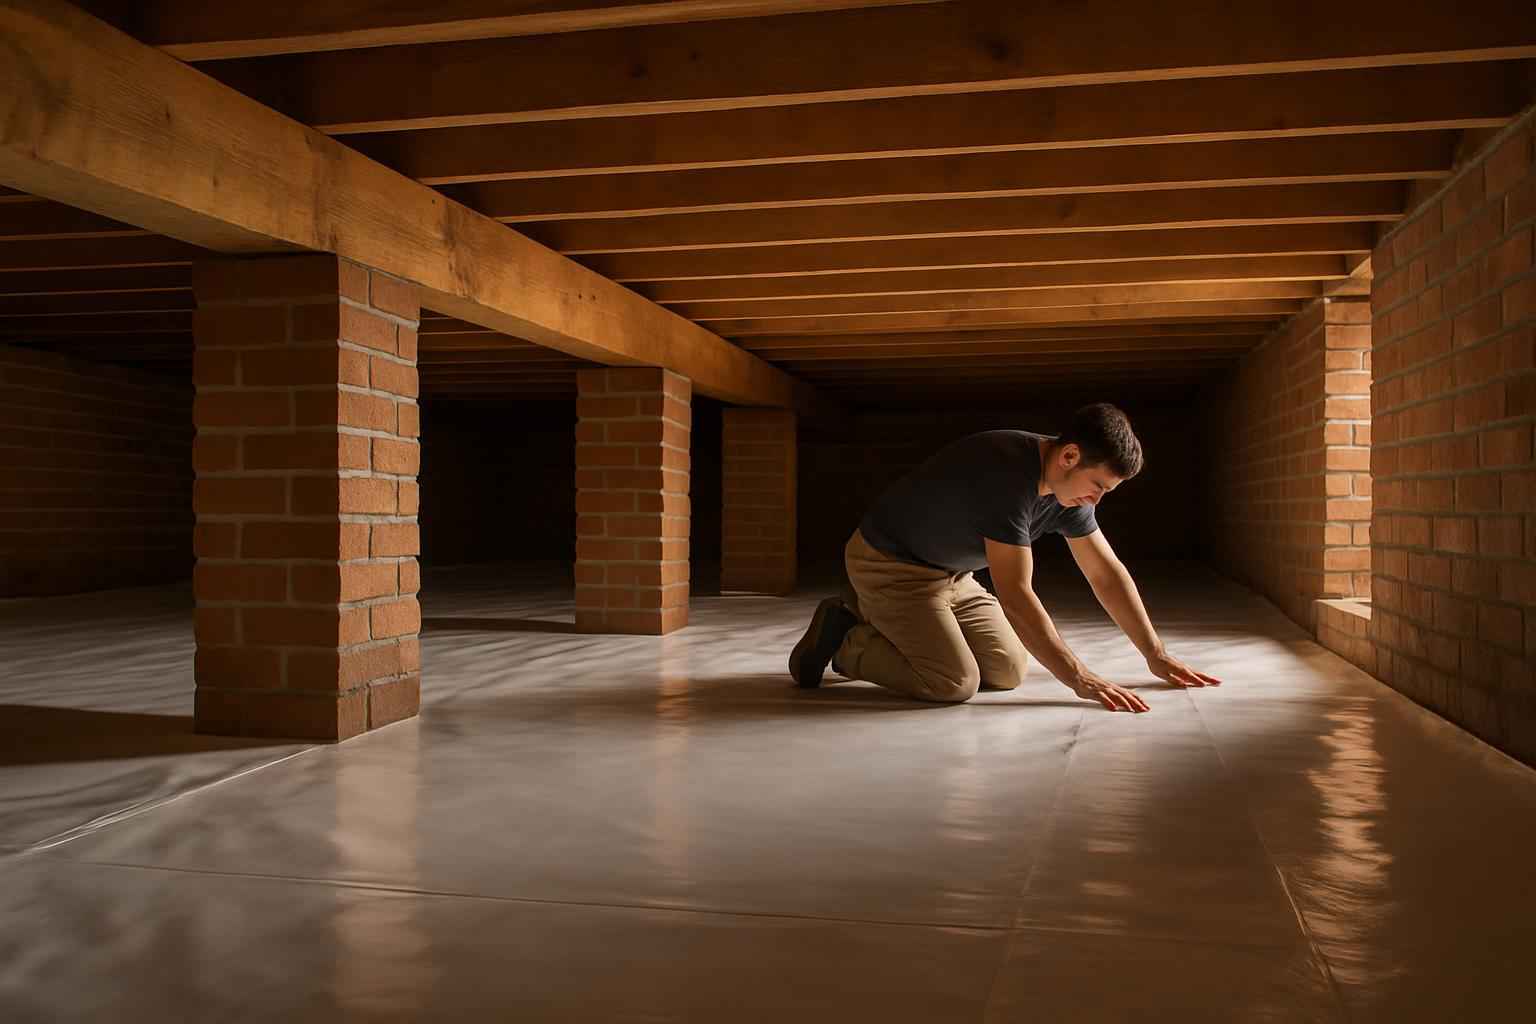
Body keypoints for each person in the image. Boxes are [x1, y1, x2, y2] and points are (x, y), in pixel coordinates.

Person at [788, 403, 1220, 711]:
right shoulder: (1007, 477)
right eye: (1098, 487)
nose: (1096, 501)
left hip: (954, 576)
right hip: (890, 567)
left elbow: (1106, 574)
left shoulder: (1069, 491)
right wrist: (1078, 677)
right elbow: (1015, 594)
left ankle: (892, 625)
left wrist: (1155, 653)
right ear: (1069, 456)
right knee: (953, 682)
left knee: (1008, 669)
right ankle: (847, 640)